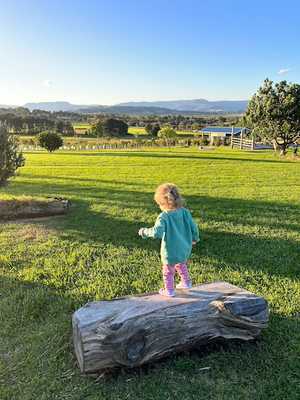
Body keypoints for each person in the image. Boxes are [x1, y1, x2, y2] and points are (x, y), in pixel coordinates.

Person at [138, 183, 199, 297]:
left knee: (168, 270)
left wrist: (144, 232)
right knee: (181, 263)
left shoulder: (164, 216)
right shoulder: (184, 212)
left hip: (170, 250)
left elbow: (157, 233)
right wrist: (195, 238)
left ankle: (169, 290)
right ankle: (186, 282)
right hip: (185, 247)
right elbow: (193, 227)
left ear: (162, 203)